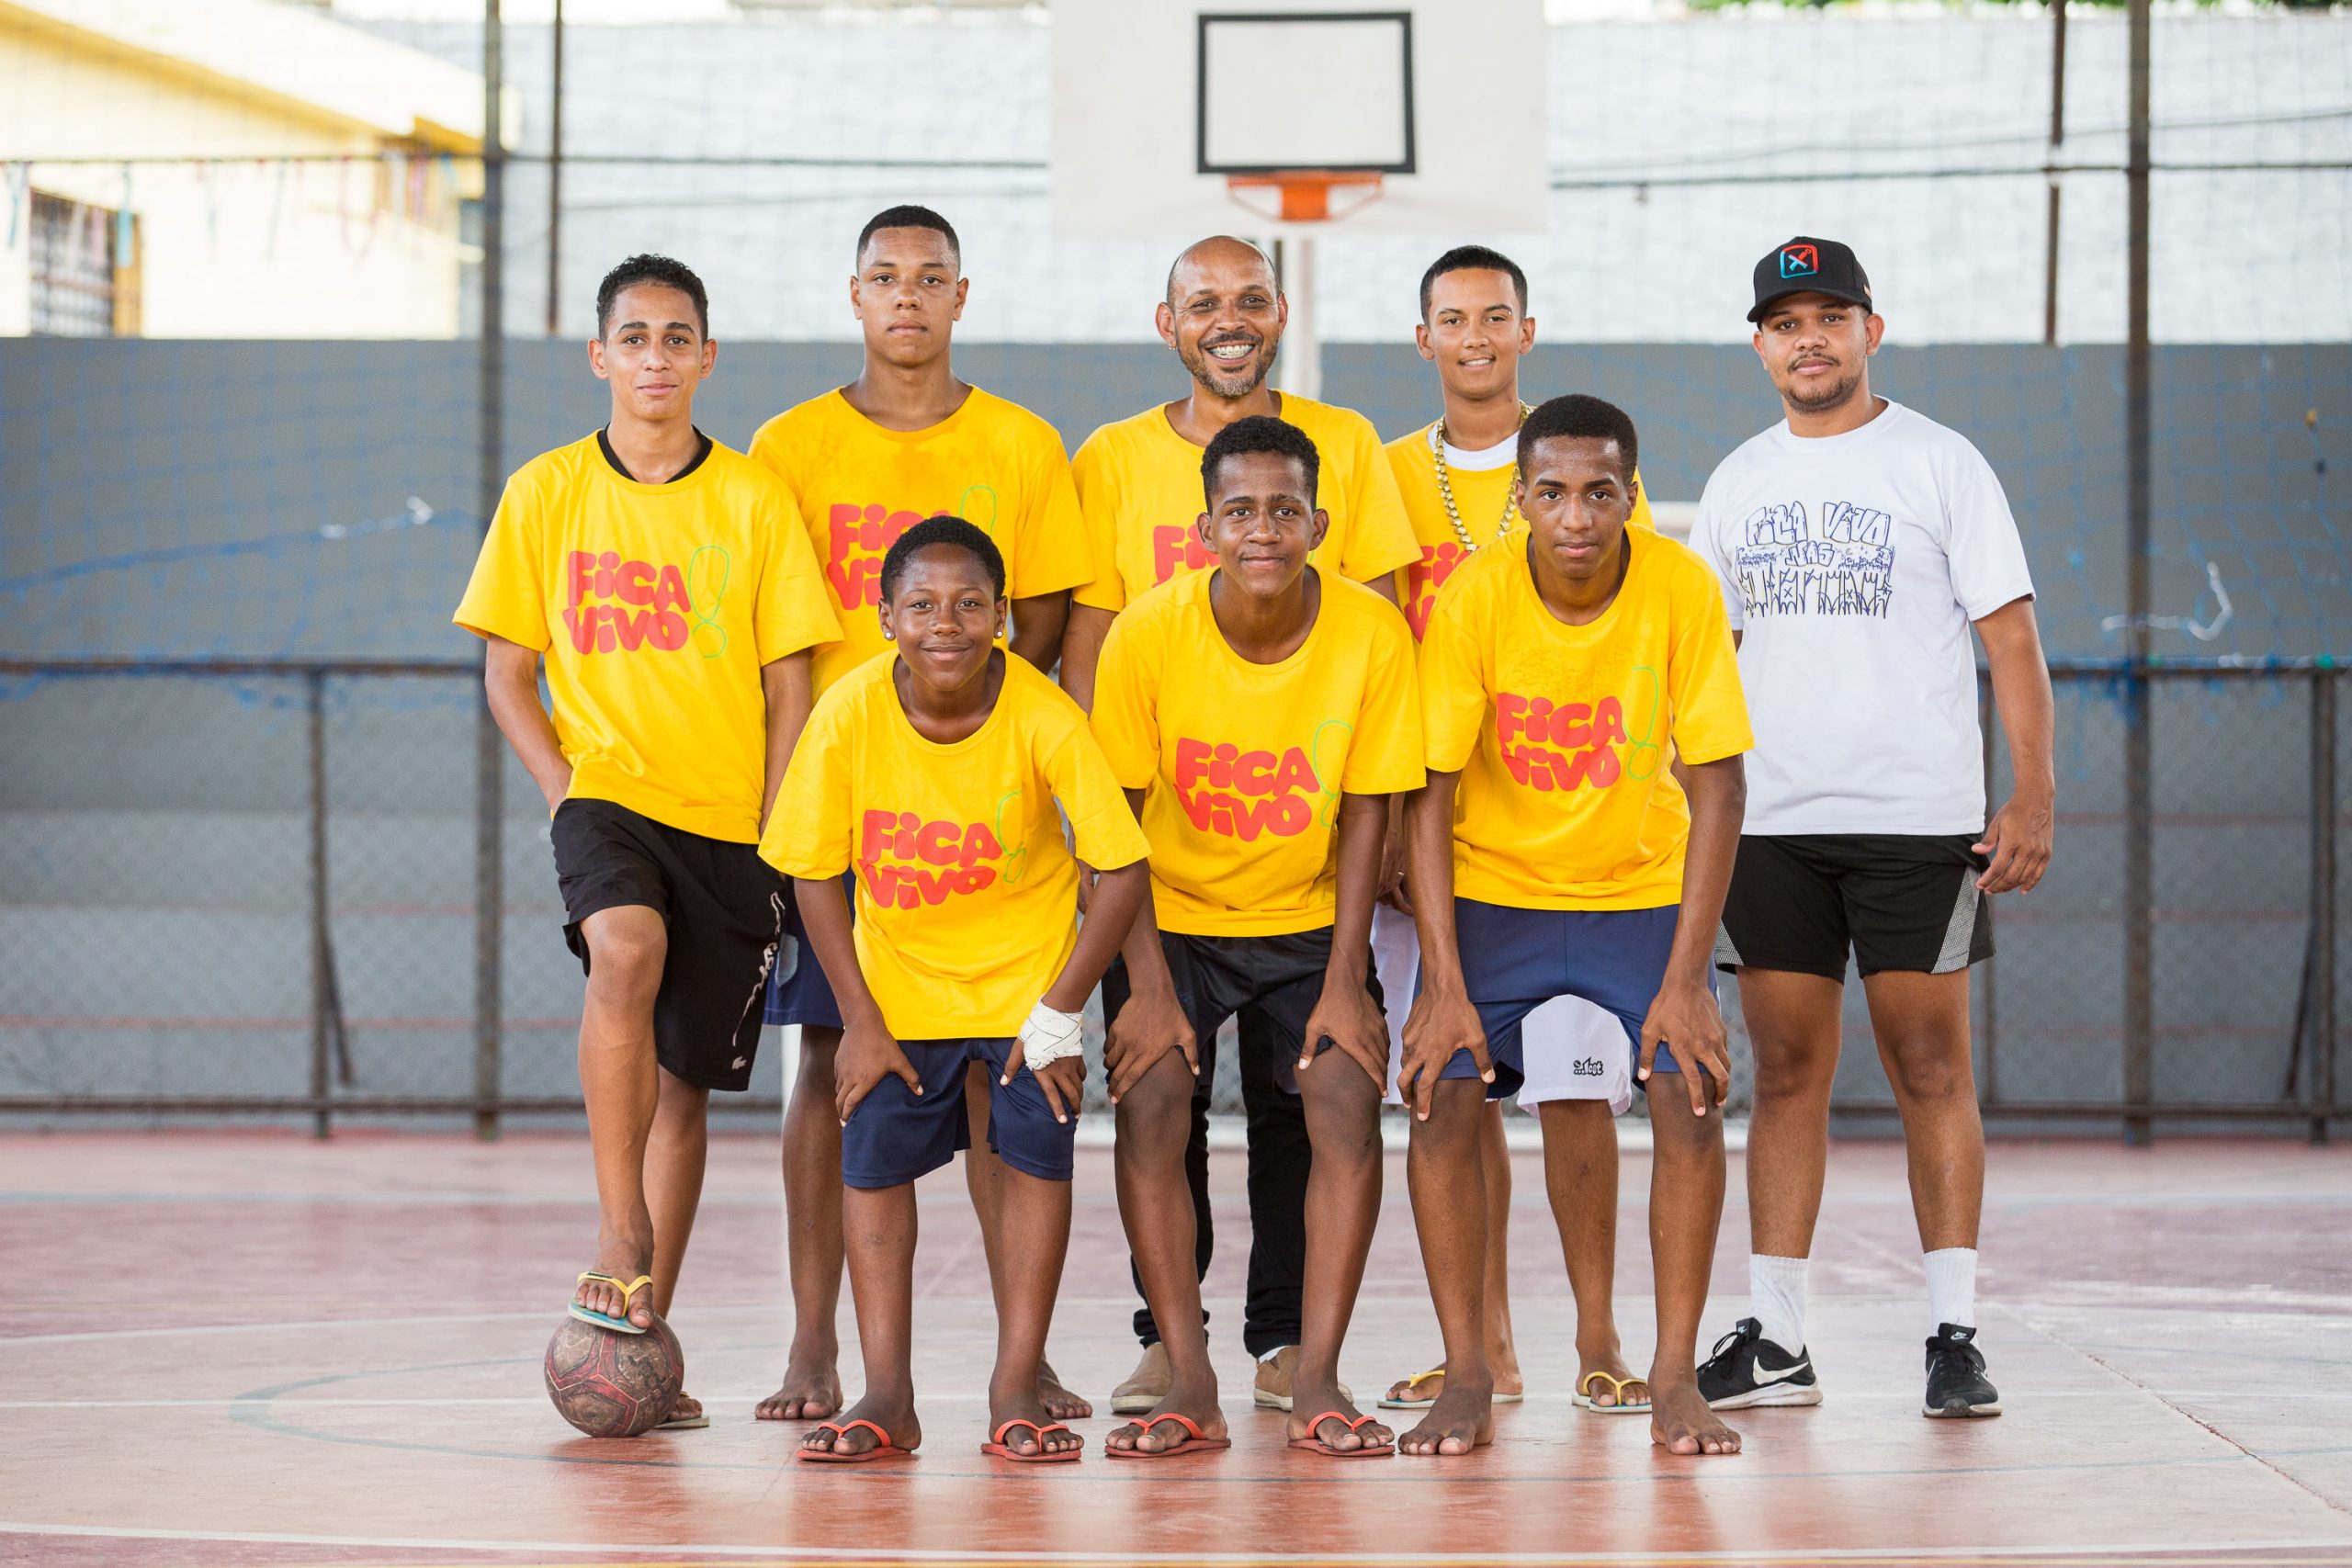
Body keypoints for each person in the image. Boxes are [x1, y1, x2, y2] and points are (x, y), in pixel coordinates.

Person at [454, 254, 841, 1431]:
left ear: (706, 357)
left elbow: (789, 680)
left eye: (679, 338)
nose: (657, 358)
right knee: (622, 950)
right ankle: (618, 1225)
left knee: (684, 1087)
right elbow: (507, 671)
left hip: (731, 820)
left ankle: (640, 1336)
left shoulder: (754, 498)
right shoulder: (547, 492)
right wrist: (565, 790)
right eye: (635, 337)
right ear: (600, 356)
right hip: (609, 797)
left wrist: (781, 818)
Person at [1690, 237, 2053, 1421]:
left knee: (1928, 1068)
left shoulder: (1940, 462)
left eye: (1829, 317)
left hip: (1917, 822)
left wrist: (2030, 794)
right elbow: (1714, 663)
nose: (1808, 339)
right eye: (1785, 322)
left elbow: (2012, 643)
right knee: (1785, 1072)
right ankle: (1780, 1337)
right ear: (1759, 345)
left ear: (1868, 331)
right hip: (1773, 823)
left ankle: (1953, 1331)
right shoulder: (1740, 478)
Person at [1058, 234, 1419, 1416]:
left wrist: (1350, 970)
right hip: (1170, 894)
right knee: (1156, 1090)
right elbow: (1114, 795)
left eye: (1251, 297)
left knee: (1311, 1100)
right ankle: (1179, 1350)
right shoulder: (1145, 609)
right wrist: (1140, 971)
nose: (1262, 528)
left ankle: (1297, 1357)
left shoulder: (1358, 578)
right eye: (1203, 300)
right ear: (1205, 525)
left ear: (1315, 521)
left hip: (1310, 898)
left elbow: (1369, 775)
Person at [750, 206, 1097, 1425]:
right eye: (885, 277)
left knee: (1003, 1084)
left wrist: (982, 738)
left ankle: (1023, 1360)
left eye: (930, 277)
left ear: (963, 296)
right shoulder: (787, 445)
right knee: (831, 1068)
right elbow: (772, 633)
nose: (908, 296)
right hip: (843, 810)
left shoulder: (1020, 442)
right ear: (854, 295)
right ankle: (816, 1348)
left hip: (989, 815)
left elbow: (1048, 619)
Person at [1398, 394, 1752, 1459]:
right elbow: (1428, 789)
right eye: (1549, 491)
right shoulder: (1474, 597)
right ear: (1520, 503)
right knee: (1439, 1097)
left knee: (1687, 1095)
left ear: (1631, 497)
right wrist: (1442, 983)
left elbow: (1720, 786)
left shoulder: (1680, 587)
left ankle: (1676, 1375)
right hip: (1495, 892)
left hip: (1634, 890)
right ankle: (1470, 1372)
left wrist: (1687, 980)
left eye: (1600, 491)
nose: (1576, 514)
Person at [763, 517, 1151, 1463]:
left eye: (970, 603)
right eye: (924, 604)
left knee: (1032, 1163)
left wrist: (1060, 1015)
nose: (948, 623)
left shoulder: (1043, 712)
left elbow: (1122, 866)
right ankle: (887, 1393)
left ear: (1003, 617)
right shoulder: (848, 712)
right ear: (886, 614)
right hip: (899, 993)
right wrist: (856, 1018)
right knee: (874, 1168)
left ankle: (1015, 1380)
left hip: (1024, 993)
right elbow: (812, 871)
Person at [1374, 244, 1660, 1420]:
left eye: (1496, 316)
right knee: (1453, 1084)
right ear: (1425, 338)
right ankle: (1479, 1347)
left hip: (1575, 827)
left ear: (1526, 331)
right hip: (1444, 828)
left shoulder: (1577, 457)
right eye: (1454, 318)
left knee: (1578, 1089)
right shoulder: (1388, 475)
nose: (1476, 336)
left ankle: (1599, 1332)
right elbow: (1380, 644)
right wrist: (1394, 827)